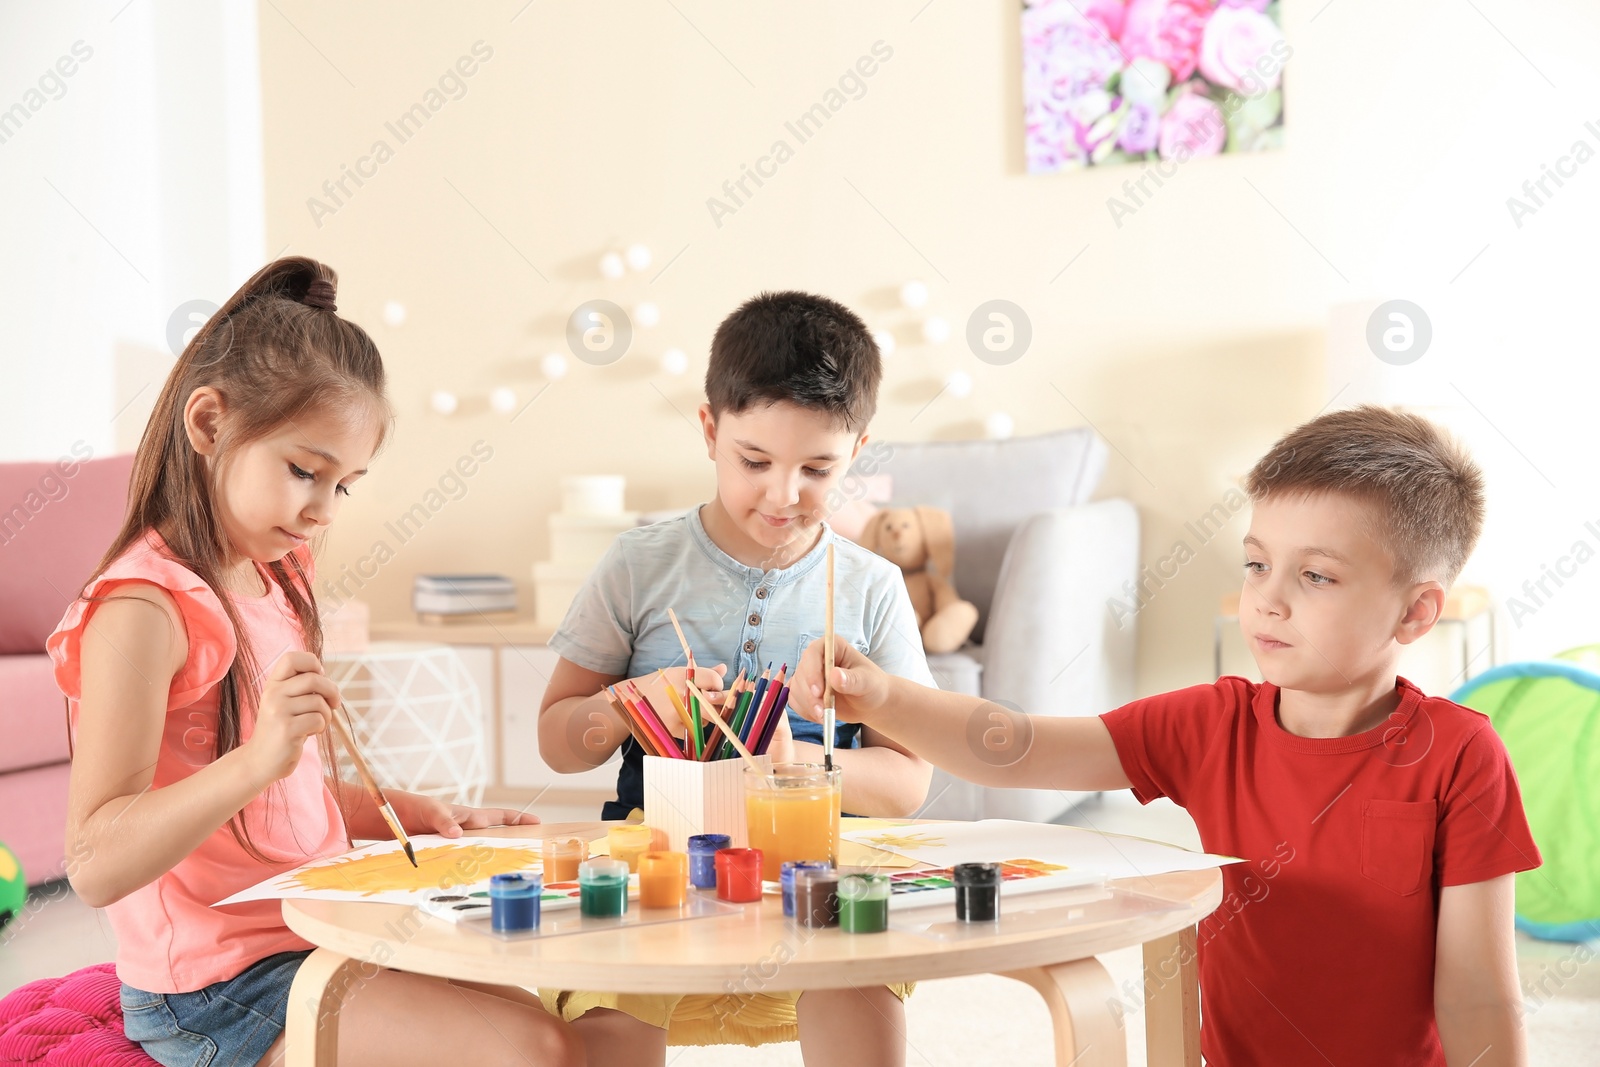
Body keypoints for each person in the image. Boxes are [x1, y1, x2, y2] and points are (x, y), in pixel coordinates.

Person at [794, 405, 1539, 1067]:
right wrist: (882, 696)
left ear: (1415, 613)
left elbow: (1478, 994)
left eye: (1315, 576)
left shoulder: (1460, 755)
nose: (1267, 599)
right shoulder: (1209, 723)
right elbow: (1013, 746)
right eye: (1257, 564)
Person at [49, 257, 580, 1067]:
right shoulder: (142, 609)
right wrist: (262, 756)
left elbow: (273, 803)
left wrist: (409, 813)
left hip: (319, 923)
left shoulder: (274, 574)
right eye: (305, 471)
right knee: (533, 1049)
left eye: (346, 485)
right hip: (217, 988)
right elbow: (92, 863)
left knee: (570, 1020)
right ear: (208, 423)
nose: (322, 511)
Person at [537, 290, 935, 1065]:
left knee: (860, 994)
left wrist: (801, 765)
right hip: (653, 859)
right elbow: (559, 741)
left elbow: (908, 780)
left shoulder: (871, 586)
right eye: (755, 461)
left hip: (819, 864)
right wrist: (627, 703)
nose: (783, 495)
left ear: (859, 449)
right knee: (610, 1013)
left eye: (818, 467)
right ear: (710, 430)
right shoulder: (639, 565)